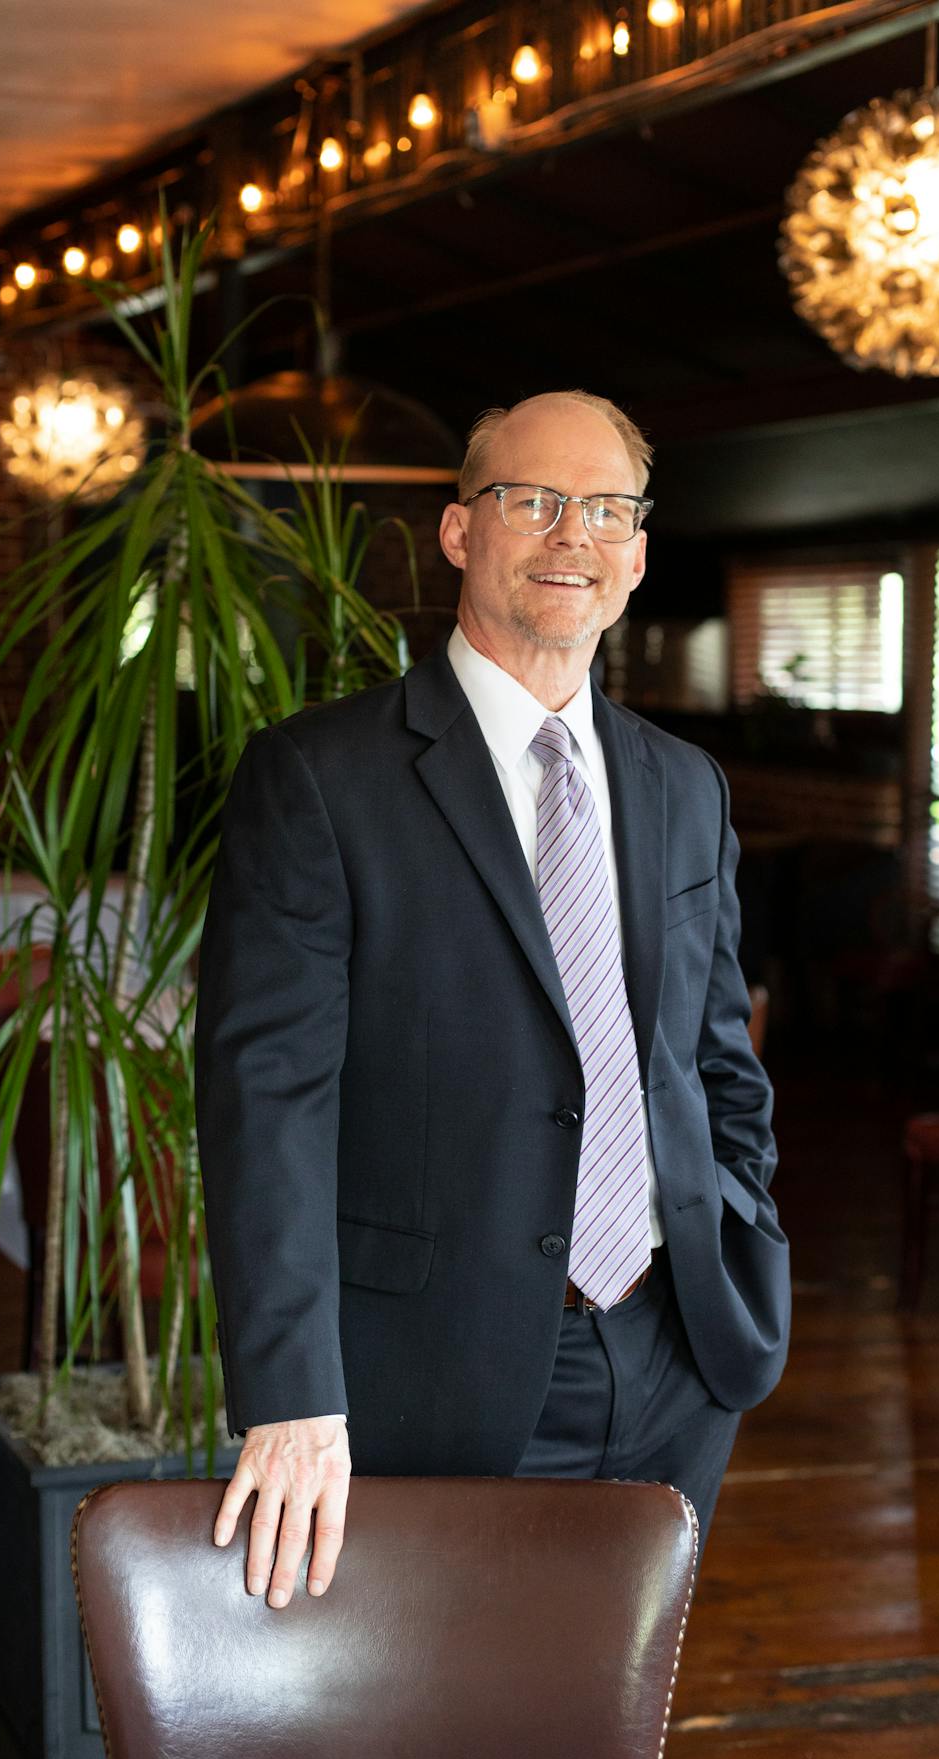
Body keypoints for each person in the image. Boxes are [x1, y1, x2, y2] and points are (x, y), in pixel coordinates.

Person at [194, 389, 790, 1611]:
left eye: (608, 509)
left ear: (636, 550)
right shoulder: (319, 777)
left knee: (611, 1733)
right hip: (436, 1372)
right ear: (463, 532)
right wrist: (293, 1391)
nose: (574, 535)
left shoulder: (686, 786)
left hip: (678, 1350)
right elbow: (268, 1107)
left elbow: (716, 1056)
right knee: (438, 1742)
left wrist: (743, 1234)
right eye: (534, 500)